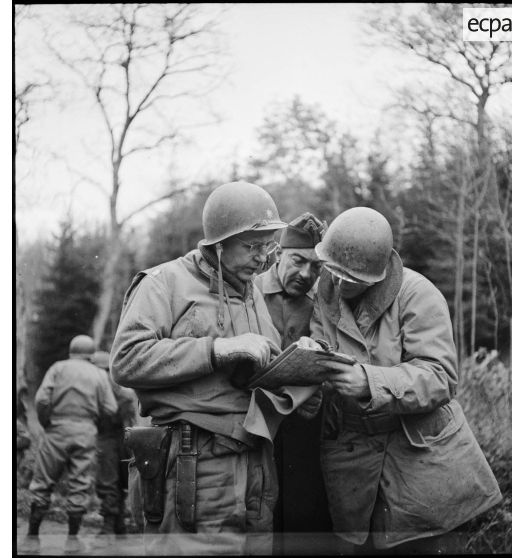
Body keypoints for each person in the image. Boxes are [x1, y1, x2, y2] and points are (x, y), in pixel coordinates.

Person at [111, 181, 313, 555]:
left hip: (255, 465)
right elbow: (126, 360)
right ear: (218, 245)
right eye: (252, 246)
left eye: (268, 246)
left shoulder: (252, 292)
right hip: (194, 462)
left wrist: (299, 368)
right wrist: (218, 349)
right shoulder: (165, 283)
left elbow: (258, 370)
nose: (262, 258)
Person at [300, 207, 502, 554]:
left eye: (352, 278)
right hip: (354, 461)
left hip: (418, 460)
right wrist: (312, 353)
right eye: (332, 271)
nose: (340, 282)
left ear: (378, 274)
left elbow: (440, 377)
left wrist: (369, 381)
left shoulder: (417, 293)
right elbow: (324, 343)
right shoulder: (326, 290)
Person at [254, 212, 332, 553]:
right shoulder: (249, 293)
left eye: (316, 267)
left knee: (302, 513)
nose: (306, 274)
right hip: (255, 425)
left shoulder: (322, 304)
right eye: (298, 261)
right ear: (278, 255)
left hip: (303, 428)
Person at [24, 335, 118, 550]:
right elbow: (111, 408)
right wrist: (94, 423)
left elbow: (41, 399)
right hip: (85, 432)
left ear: (71, 350)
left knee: (42, 483)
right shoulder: (98, 374)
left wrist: (47, 422)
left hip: (56, 429)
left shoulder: (58, 368)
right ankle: (72, 539)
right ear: (91, 353)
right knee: (80, 484)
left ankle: (31, 537)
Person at [91, 350, 137, 535]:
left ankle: (109, 526)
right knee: (119, 481)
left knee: (108, 481)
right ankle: (118, 525)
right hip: (124, 439)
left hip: (108, 439)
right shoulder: (122, 389)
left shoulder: (101, 389)